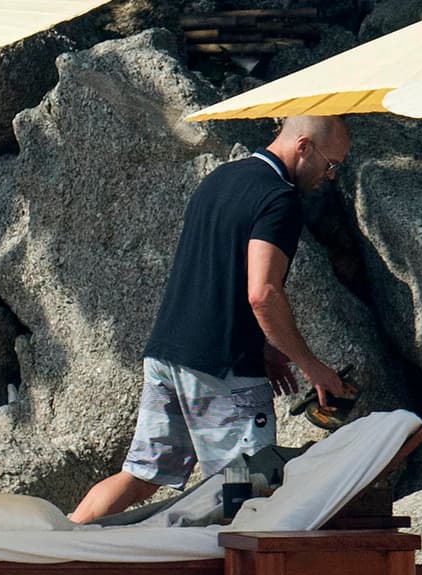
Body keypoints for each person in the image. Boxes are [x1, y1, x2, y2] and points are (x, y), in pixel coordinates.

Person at [70, 115, 350, 524]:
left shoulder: (221, 178)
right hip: (222, 368)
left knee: (141, 476)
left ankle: (55, 555)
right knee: (250, 492)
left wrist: (266, 348)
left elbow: (217, 276)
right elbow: (262, 292)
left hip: (169, 355)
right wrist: (313, 368)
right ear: (303, 146)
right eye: (330, 164)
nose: (330, 176)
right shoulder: (280, 199)